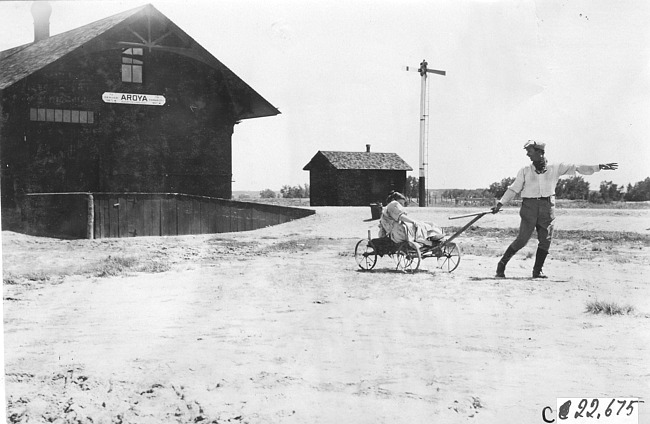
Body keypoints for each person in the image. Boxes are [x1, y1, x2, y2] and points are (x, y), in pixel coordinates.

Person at [491, 140, 618, 278]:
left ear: (540, 152)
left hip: (547, 207)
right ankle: (501, 265)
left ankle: (537, 271)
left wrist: (598, 166)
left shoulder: (556, 167)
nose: (527, 155)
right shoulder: (525, 171)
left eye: (530, 151)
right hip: (529, 208)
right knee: (522, 240)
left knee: (546, 239)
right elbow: (514, 188)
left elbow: (577, 167)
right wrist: (500, 203)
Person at [378, 191, 444, 244]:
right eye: (400, 203)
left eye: (403, 204)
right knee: (417, 224)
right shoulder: (393, 204)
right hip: (398, 233)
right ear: (394, 200)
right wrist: (413, 221)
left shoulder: (388, 208)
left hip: (396, 232)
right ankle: (428, 239)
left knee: (426, 223)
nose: (402, 205)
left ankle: (431, 236)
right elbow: (401, 217)